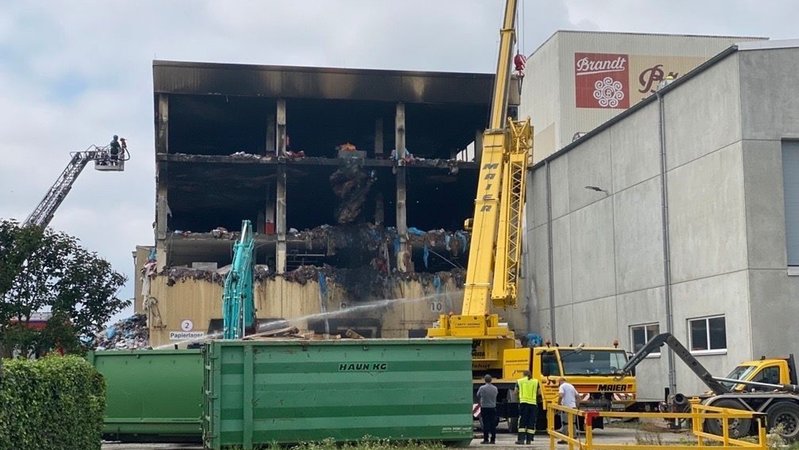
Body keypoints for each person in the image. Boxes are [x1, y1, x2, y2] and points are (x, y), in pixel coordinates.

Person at [515, 370, 539, 445]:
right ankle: (529, 440)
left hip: (523, 403)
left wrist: (518, 398)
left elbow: (515, 392)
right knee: (531, 421)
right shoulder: (536, 381)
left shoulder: (519, 381)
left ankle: (521, 440)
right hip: (533, 404)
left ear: (523, 374)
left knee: (522, 421)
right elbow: (539, 393)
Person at [476, 374, 498, 444]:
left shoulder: (482, 388)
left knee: (486, 424)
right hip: (493, 407)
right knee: (493, 424)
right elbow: (496, 394)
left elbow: (478, 395)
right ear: (491, 380)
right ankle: (493, 439)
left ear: (485, 380)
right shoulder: (495, 388)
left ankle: (486, 439)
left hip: (484, 407)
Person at [557, 377, 580, 444]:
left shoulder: (562, 386)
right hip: (573, 407)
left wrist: (559, 405)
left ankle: (565, 438)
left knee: (565, 423)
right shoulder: (571, 386)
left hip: (566, 407)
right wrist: (577, 406)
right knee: (573, 423)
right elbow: (578, 397)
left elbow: (561, 395)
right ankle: (574, 436)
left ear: (560, 381)